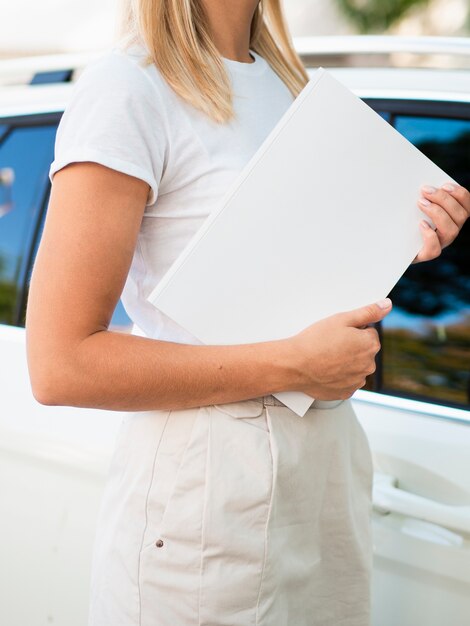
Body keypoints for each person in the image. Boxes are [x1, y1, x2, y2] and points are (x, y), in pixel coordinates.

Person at [25, 1, 470, 625]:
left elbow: (290, 286)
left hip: (322, 470)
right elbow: (60, 364)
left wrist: (402, 236)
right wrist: (293, 363)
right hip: (207, 490)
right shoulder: (129, 88)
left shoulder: (293, 87)